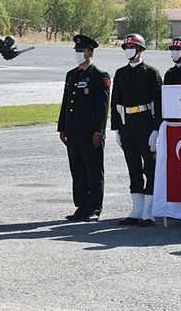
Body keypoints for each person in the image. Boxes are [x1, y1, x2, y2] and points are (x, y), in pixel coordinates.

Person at [110, 33, 163, 227]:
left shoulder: (152, 73)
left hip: (145, 126)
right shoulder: (121, 73)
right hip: (127, 126)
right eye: (126, 47)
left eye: (132, 47)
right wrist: (116, 128)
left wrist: (157, 130)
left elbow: (158, 104)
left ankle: (149, 210)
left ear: (140, 50)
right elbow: (115, 102)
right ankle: (137, 209)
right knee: (133, 168)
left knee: (149, 168)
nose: (128, 50)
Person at [57, 34, 111, 222]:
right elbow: (66, 104)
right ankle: (81, 206)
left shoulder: (99, 76)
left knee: (93, 171)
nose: (78, 54)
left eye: (82, 51)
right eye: (77, 51)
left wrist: (100, 131)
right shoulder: (72, 75)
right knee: (78, 171)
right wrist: (62, 128)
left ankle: (94, 208)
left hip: (90, 133)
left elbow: (102, 107)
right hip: (73, 132)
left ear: (90, 53)